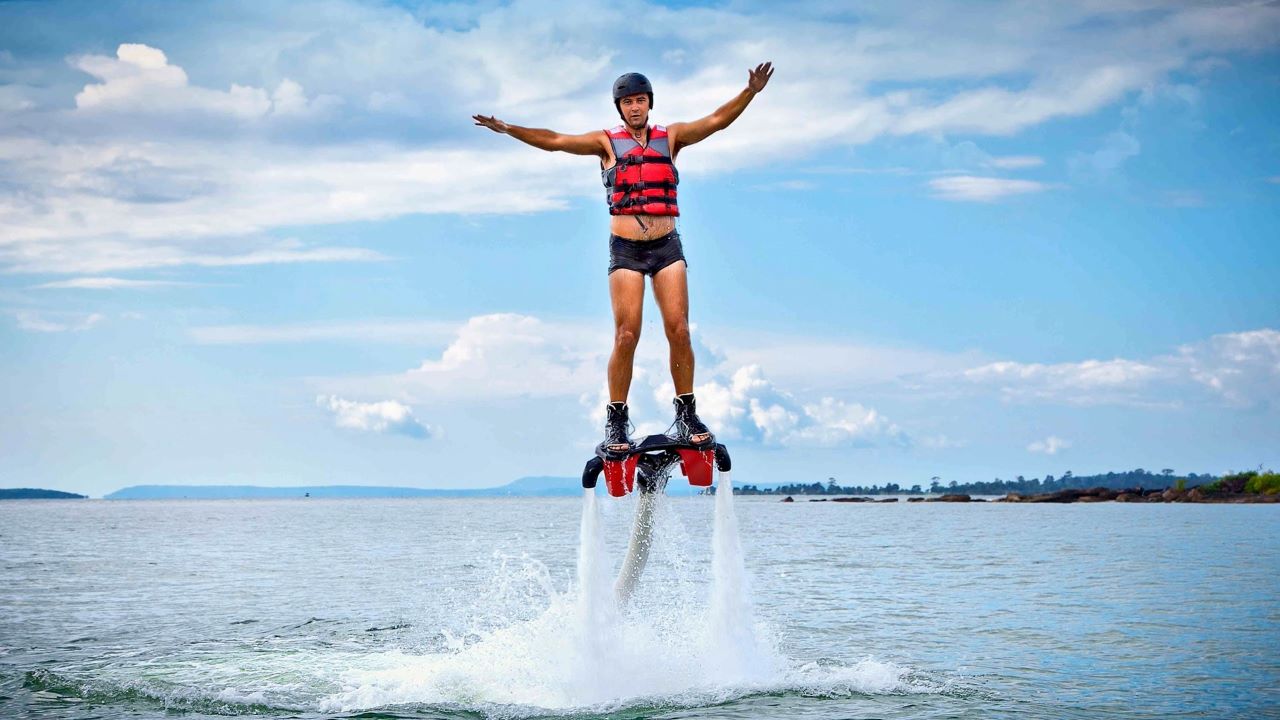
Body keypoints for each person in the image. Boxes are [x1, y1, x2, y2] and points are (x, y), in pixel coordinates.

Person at [474, 62, 774, 458]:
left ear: (650, 103)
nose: (635, 107)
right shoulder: (605, 143)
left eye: (641, 100)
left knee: (679, 330)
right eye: (628, 102)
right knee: (626, 335)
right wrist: (509, 129)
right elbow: (555, 140)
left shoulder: (672, 137)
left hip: (667, 247)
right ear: (620, 107)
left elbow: (716, 121)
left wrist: (749, 92)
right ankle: (616, 419)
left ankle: (687, 414)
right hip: (627, 250)